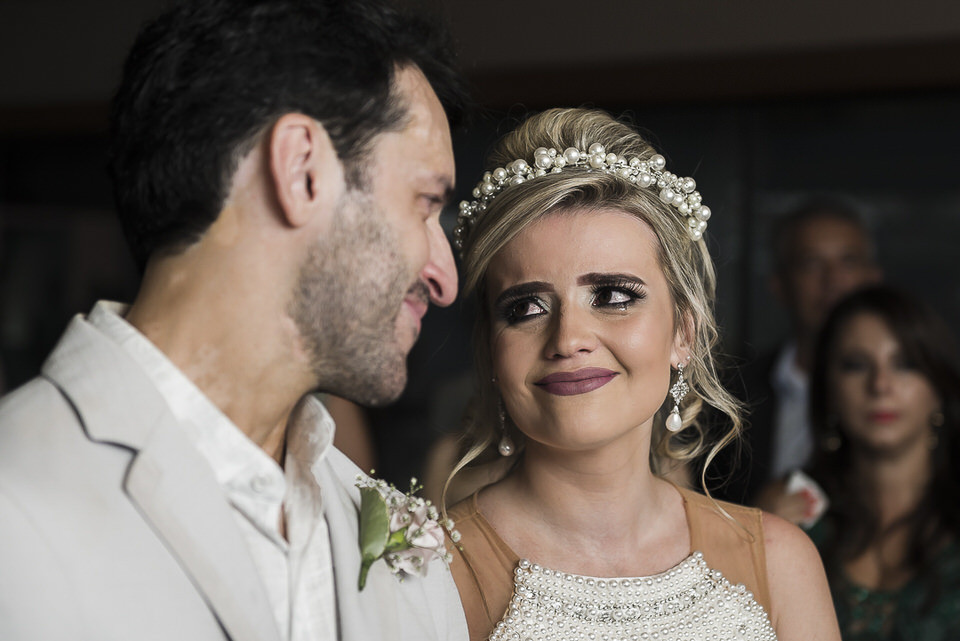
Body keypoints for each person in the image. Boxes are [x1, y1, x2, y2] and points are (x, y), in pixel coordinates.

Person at [0, 1, 469, 639]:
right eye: (426, 203)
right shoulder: (18, 507)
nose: (446, 279)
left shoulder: (396, 540)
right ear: (302, 170)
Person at [444, 108, 840, 641]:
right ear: (491, 348)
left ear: (684, 333)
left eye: (612, 296)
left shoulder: (780, 562)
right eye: (525, 308)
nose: (568, 339)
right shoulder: (430, 572)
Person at [760, 285, 960, 640]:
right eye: (856, 365)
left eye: (905, 364)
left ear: (938, 386)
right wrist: (756, 551)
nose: (880, 385)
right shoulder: (786, 508)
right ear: (828, 389)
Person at [730, 201, 882, 503]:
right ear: (779, 285)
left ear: (873, 277)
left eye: (848, 262)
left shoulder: (913, 390)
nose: (833, 281)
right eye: (811, 263)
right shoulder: (731, 394)